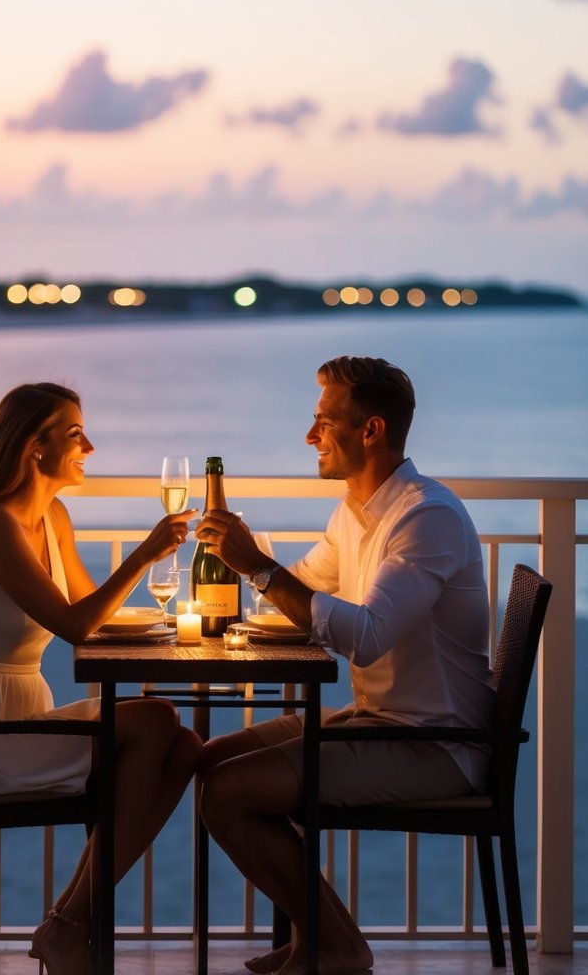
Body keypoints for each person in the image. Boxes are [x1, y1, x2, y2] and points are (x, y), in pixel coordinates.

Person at [196, 355, 494, 975]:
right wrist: (237, 593)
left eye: (323, 422)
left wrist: (256, 567)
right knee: (211, 760)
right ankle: (319, 935)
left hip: (435, 744)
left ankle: (335, 944)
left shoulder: (425, 516)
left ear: (371, 430)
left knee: (229, 793)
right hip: (377, 718)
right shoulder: (356, 512)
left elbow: (368, 637)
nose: (310, 437)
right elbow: (301, 592)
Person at [0, 382, 202, 975]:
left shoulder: (51, 515)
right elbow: (74, 625)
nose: (89, 446)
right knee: (159, 721)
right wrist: (143, 556)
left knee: (184, 746)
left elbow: (87, 611)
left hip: (19, 717)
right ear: (31, 447)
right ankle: (71, 926)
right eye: (74, 434)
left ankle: (69, 923)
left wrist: (160, 623)